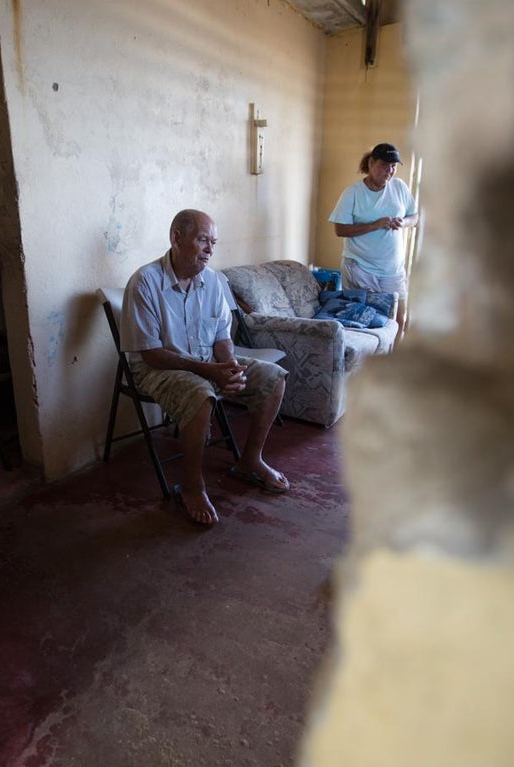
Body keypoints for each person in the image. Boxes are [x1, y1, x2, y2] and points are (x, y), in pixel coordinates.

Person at [120, 209, 289, 526]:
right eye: (202, 240)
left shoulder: (212, 281)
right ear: (176, 238)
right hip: (158, 369)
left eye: (213, 242)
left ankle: (250, 461)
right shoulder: (144, 282)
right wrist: (210, 371)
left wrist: (229, 364)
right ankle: (192, 486)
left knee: (274, 377)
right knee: (200, 395)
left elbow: (222, 336)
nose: (210, 249)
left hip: (206, 363)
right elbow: (152, 355)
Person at [328, 143, 419, 325]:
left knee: (399, 318)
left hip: (392, 270)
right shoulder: (353, 193)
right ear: (371, 163)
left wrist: (403, 223)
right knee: (364, 321)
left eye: (393, 166)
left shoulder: (399, 187)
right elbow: (340, 230)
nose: (390, 171)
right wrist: (375, 225)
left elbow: (414, 216)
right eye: (384, 165)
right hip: (360, 269)